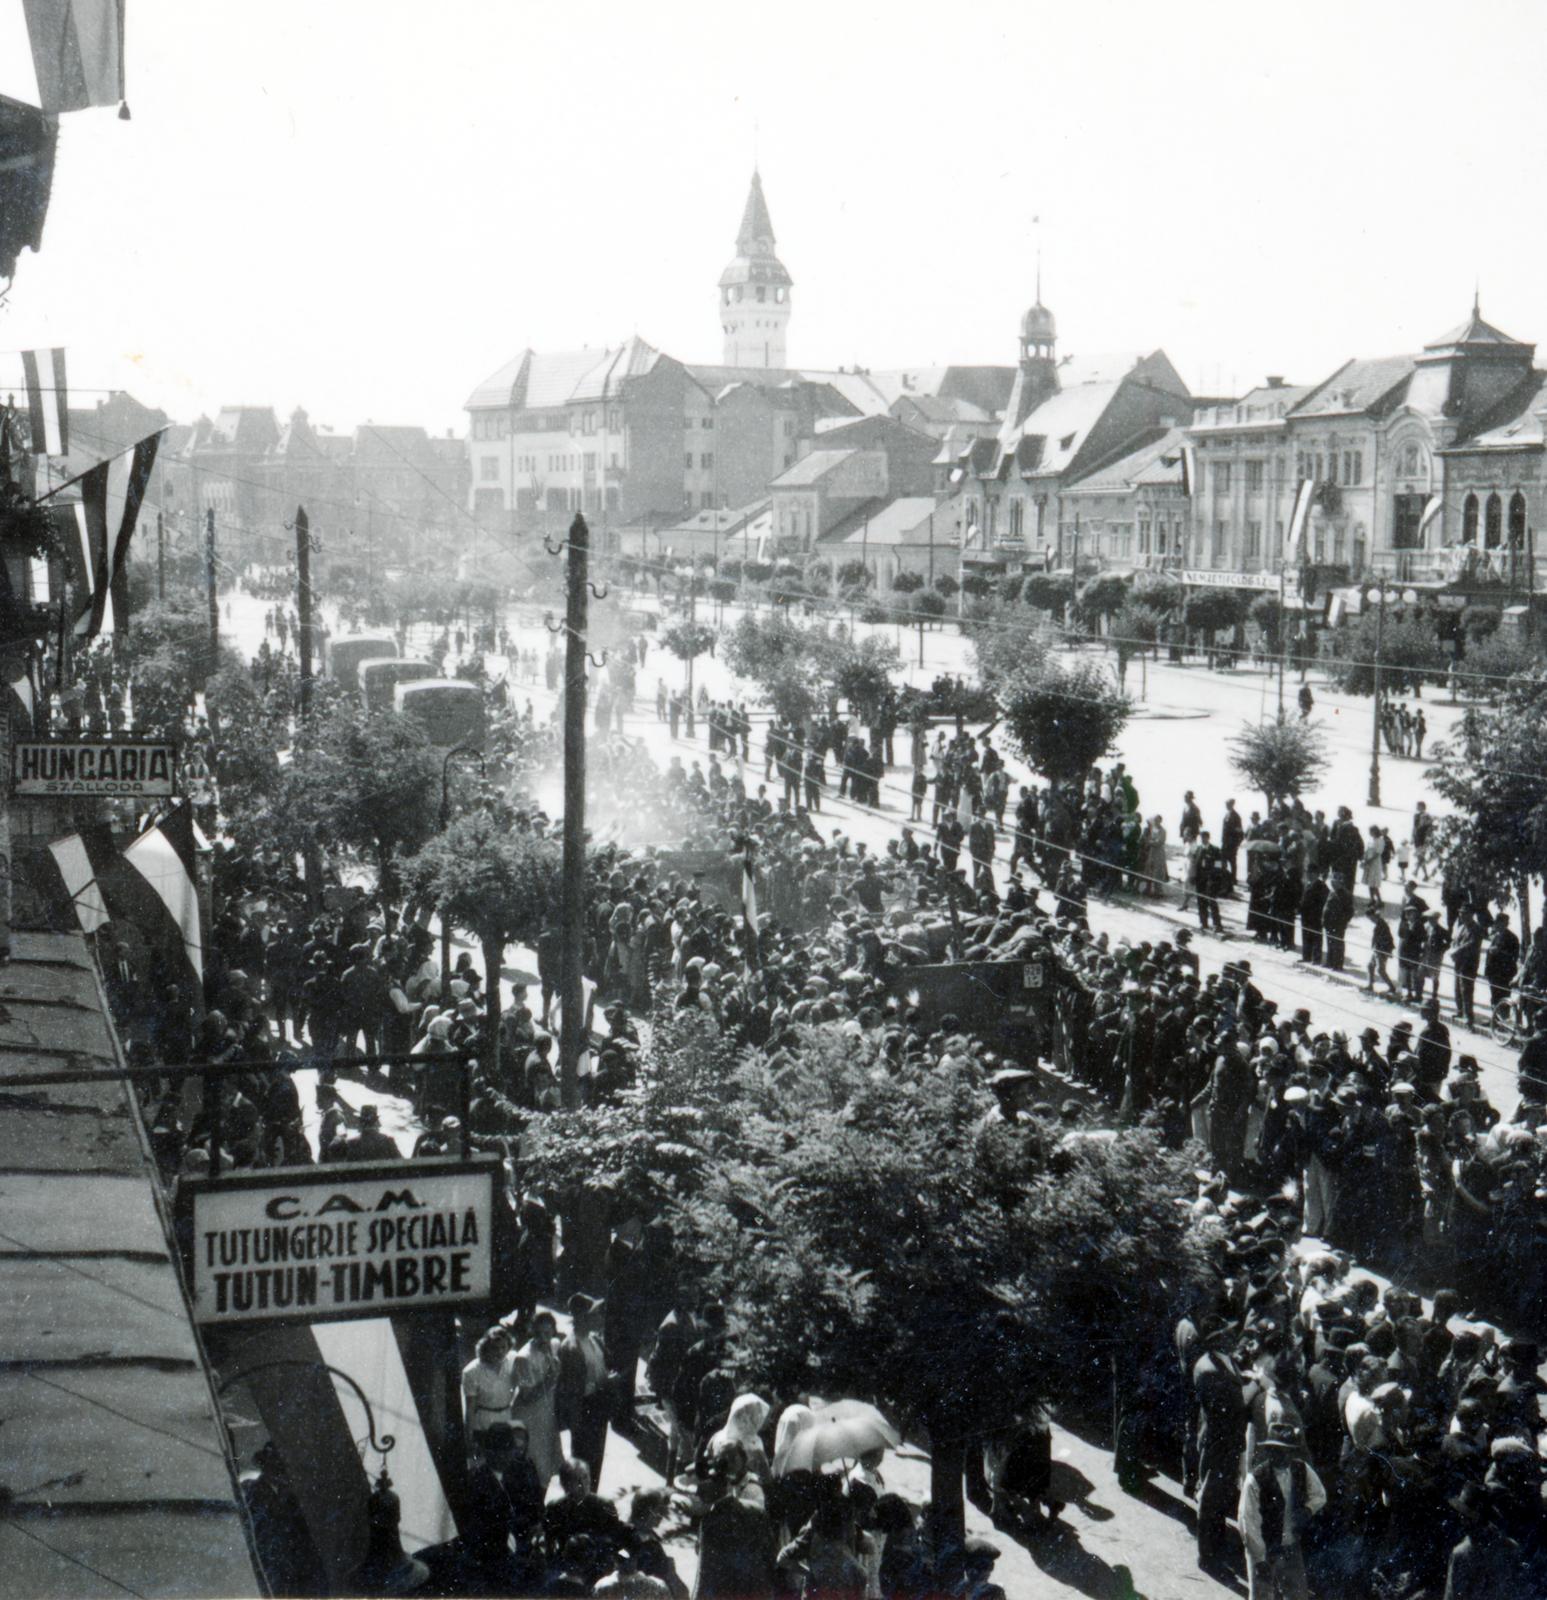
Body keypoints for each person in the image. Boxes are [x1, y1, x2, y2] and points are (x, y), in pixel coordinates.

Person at [1237, 1421, 1326, 1600]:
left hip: (1290, 1545)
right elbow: (1248, 1522)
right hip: (1263, 1547)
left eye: (1287, 1450)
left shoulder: (1301, 1469)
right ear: (1269, 1450)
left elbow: (1319, 1494)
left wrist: (1308, 1510)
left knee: (1298, 1595)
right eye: (1277, 1450)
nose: (1283, 1455)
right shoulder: (1256, 1479)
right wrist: (1260, 1559)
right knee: (1263, 1595)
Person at [557, 1293, 614, 1484]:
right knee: (583, 1464)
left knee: (596, 1460)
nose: (600, 1318)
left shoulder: (595, 1339)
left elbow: (603, 1367)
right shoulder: (571, 1347)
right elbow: (571, 1389)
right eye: (595, 1314)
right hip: (584, 1411)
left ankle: (591, 1499)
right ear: (582, 1317)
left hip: (598, 1408)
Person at [511, 1308, 563, 1491]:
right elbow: (526, 1396)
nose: (544, 1338)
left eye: (547, 1333)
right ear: (532, 1332)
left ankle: (539, 1509)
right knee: (534, 1465)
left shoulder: (554, 1344)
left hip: (547, 1414)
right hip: (530, 1416)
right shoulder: (523, 1357)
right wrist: (549, 1379)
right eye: (539, 1333)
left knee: (546, 1464)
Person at [462, 1327, 516, 1453]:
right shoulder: (472, 1371)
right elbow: (469, 1409)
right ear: (485, 1348)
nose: (500, 1352)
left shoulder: (512, 1361)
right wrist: (469, 1439)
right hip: (484, 1427)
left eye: (503, 1347)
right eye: (495, 1348)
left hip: (507, 1422)